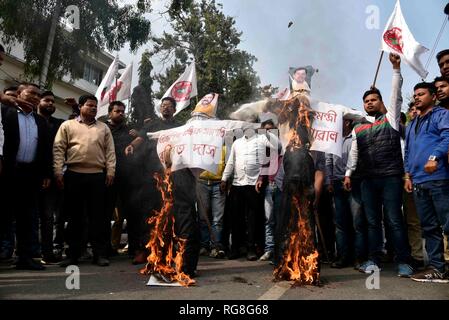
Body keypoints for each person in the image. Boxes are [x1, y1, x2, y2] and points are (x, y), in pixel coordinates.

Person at [344, 53, 414, 277]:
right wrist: (348, 173)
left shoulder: (392, 119)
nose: (369, 103)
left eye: (374, 99)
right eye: (366, 101)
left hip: (391, 177)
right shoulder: (358, 128)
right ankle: (373, 260)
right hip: (367, 179)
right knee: (372, 222)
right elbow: (354, 154)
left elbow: (396, 96)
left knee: (394, 219)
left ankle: (404, 261)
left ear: (381, 102)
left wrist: (395, 69)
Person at [54, 95, 116, 267]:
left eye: (95, 106)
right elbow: (59, 149)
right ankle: (72, 254)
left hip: (97, 176)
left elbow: (110, 152)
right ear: (80, 107)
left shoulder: (103, 128)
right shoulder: (67, 125)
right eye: (90, 105)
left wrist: (110, 171)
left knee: (98, 218)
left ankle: (99, 254)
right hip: (73, 175)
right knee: (74, 218)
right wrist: (58, 171)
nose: (94, 108)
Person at [124, 96, 181, 264]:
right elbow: (140, 138)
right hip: (151, 176)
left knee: (170, 213)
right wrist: (132, 146)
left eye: (170, 106)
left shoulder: (180, 127)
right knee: (148, 213)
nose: (166, 108)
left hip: (171, 176)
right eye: (163, 105)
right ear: (160, 108)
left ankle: (167, 250)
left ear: (174, 109)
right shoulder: (152, 124)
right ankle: (144, 249)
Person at [2, 83, 52, 270]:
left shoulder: (40, 121)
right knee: (5, 215)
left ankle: (25, 257)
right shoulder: (5, 114)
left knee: (28, 218)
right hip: (8, 172)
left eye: (37, 95)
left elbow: (46, 150)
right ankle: (4, 253)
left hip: (31, 175)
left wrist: (46, 173)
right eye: (31, 93)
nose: (35, 97)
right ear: (19, 93)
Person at [404, 82, 449, 283]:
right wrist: (407, 175)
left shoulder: (441, 115)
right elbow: (408, 152)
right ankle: (437, 269)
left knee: (448, 225)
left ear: (433, 96)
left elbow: (448, 136)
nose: (417, 98)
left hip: (438, 178)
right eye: (415, 95)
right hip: (418, 182)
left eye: (421, 94)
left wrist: (435, 156)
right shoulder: (412, 123)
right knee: (429, 227)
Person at [221, 121, 279, 261]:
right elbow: (231, 162)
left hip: (254, 185)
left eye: (251, 125)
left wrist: (265, 132)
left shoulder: (262, 138)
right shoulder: (236, 143)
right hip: (237, 183)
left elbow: (278, 146)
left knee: (254, 218)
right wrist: (224, 178)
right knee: (236, 218)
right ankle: (235, 248)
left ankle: (251, 249)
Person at [104, 101, 142, 262]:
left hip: (128, 178)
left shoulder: (129, 130)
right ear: (109, 112)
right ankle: (105, 249)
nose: (121, 113)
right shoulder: (102, 128)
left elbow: (142, 137)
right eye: (117, 111)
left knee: (132, 214)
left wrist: (134, 142)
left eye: (122, 111)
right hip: (107, 177)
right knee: (105, 214)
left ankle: (133, 249)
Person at [37, 91, 65, 264]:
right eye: (46, 100)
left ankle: (47, 252)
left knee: (49, 217)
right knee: (27, 215)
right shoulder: (31, 119)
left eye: (53, 101)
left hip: (52, 176)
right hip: (28, 174)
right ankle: (25, 250)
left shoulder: (58, 124)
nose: (50, 104)